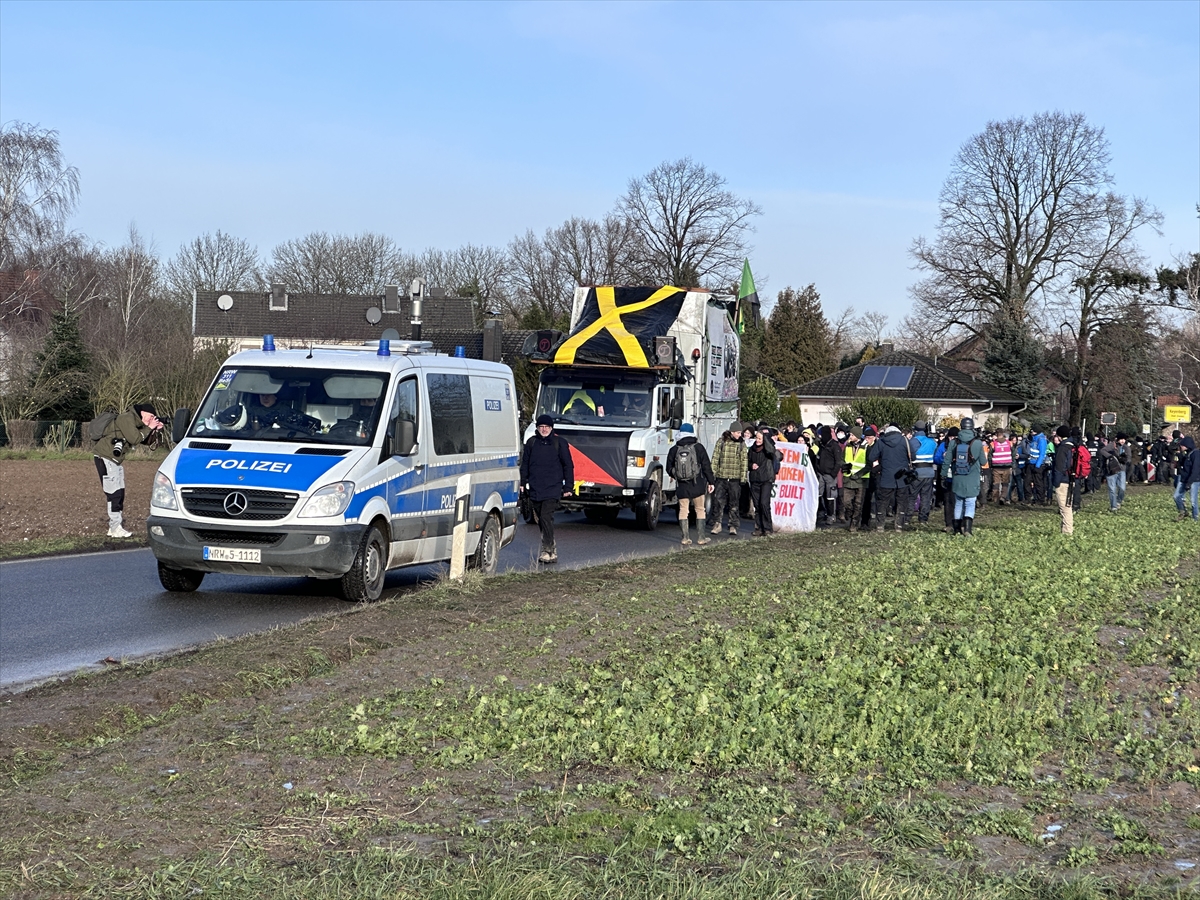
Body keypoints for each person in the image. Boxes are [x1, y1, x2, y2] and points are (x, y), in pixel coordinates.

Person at [91, 403, 164, 538]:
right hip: (105, 458)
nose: (151, 419)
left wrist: (155, 430)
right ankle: (115, 527)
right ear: (143, 412)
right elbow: (135, 438)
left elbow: (146, 441)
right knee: (114, 493)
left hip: (115, 460)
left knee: (120, 492)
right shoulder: (126, 418)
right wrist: (150, 427)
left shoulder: (136, 422)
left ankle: (114, 527)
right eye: (151, 416)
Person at [519, 414, 574, 563]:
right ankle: (551, 546)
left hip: (553, 487)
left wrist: (568, 486)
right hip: (536, 487)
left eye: (547, 427)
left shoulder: (560, 443)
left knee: (545, 516)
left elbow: (568, 465)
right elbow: (525, 465)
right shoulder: (531, 443)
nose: (544, 430)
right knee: (541, 519)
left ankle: (547, 550)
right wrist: (522, 483)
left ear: (551, 428)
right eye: (541, 427)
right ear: (537, 428)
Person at [667, 423, 714, 545]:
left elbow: (668, 468)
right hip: (697, 484)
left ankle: (685, 538)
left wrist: (675, 475)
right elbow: (706, 466)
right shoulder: (699, 447)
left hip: (682, 485)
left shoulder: (674, 449)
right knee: (700, 509)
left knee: (683, 510)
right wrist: (711, 481)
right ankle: (701, 538)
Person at [941, 417, 984, 535]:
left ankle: (956, 529)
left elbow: (947, 460)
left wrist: (943, 475)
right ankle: (968, 529)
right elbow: (984, 461)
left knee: (958, 502)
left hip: (957, 476)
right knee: (970, 502)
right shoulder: (978, 443)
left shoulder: (953, 442)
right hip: (972, 477)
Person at [868, 424, 911, 532]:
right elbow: (913, 456)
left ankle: (880, 526)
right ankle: (899, 526)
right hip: (902, 477)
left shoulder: (881, 441)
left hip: (886, 476)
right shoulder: (904, 441)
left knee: (882, 501)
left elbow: (871, 457)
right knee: (901, 501)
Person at [709, 421, 748, 536]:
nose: (739, 435)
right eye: (737, 432)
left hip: (735, 479)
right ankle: (717, 524)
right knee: (718, 502)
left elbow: (744, 461)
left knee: (734, 503)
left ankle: (733, 525)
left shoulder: (742, 444)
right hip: (721, 477)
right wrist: (712, 476)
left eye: (740, 433)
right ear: (731, 432)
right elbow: (715, 459)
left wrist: (742, 478)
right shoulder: (721, 442)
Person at [747, 425, 778, 536]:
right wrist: (751, 465)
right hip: (755, 479)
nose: (758, 440)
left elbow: (773, 452)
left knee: (764, 504)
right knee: (757, 505)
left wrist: (766, 440)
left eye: (760, 439)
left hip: (766, 480)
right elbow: (747, 462)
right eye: (757, 438)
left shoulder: (768, 450)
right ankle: (759, 527)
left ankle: (768, 528)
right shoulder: (752, 449)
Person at [908, 420, 937, 524]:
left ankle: (907, 517)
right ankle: (923, 519)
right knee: (926, 496)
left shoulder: (914, 440)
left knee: (912, 495)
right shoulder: (932, 441)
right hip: (929, 472)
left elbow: (910, 454)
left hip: (917, 472)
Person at [842, 429, 870, 532]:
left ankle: (854, 524)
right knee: (846, 501)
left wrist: (859, 474)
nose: (850, 436)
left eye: (852, 435)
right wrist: (843, 466)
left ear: (858, 436)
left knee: (858, 504)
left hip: (861, 480)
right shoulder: (847, 446)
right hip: (848, 478)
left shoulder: (866, 447)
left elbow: (869, 464)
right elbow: (842, 459)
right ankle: (849, 512)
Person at [814, 425, 842, 528]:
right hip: (820, 474)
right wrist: (818, 469)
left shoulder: (834, 446)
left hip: (830, 475)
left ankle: (831, 515)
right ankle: (821, 512)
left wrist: (833, 473)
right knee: (819, 494)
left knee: (831, 496)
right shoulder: (821, 445)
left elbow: (838, 461)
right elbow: (818, 458)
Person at [1051, 426, 1075, 535]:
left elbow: (1059, 467)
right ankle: (1066, 530)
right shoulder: (1073, 445)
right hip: (1072, 479)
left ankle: (1067, 532)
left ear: (1059, 436)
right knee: (1068, 505)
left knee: (1065, 508)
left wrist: (1056, 482)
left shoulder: (1062, 448)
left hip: (1063, 480)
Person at [1098, 433, 1129, 511]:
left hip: (1122, 470)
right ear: (1117, 439)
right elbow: (1102, 451)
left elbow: (1129, 458)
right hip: (1112, 470)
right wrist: (1111, 457)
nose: (1123, 441)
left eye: (1124, 439)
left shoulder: (1126, 447)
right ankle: (1113, 506)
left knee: (1122, 488)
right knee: (1112, 489)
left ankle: (1119, 501)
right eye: (1121, 439)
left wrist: (1125, 459)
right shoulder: (1112, 445)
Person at [1173, 436, 1198, 522]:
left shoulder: (1196, 454)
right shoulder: (1187, 453)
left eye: (1182, 445)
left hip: (1193, 480)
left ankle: (1195, 518)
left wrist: (1189, 482)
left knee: (1193, 501)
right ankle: (1183, 512)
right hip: (1184, 479)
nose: (1181, 447)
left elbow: (1196, 469)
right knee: (1176, 496)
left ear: (1187, 445)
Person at [989, 429, 1014, 505]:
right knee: (1005, 483)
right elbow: (1013, 453)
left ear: (996, 435)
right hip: (1007, 465)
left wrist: (991, 465)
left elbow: (990, 456)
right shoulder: (1009, 443)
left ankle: (995, 499)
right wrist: (1011, 461)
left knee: (996, 483)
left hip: (996, 466)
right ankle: (1003, 497)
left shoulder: (993, 444)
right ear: (1003, 434)